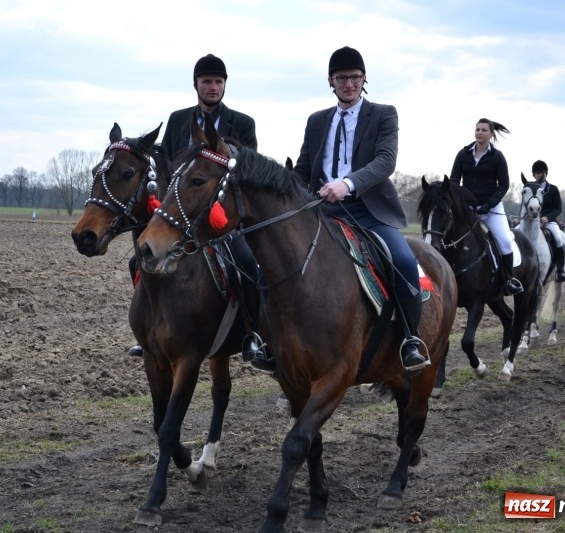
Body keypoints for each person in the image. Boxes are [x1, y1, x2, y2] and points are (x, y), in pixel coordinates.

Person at [271, 45, 428, 374]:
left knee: (402, 260)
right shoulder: (316, 121)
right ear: (331, 81)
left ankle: (411, 340)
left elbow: (385, 161)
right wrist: (284, 192)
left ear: (364, 79)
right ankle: (271, 342)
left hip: (368, 208)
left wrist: (348, 183)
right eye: (342, 78)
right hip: (321, 209)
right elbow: (303, 169)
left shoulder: (384, 114)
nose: (349, 83)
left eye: (355, 77)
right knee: (273, 259)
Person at [129, 54, 263, 365]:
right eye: (207, 82)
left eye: (218, 82)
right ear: (196, 86)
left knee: (248, 263)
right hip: (182, 216)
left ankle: (253, 335)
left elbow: (249, 167)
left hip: (222, 217)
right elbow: (163, 160)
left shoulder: (243, 123)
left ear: (225, 85)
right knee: (138, 260)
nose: (213, 87)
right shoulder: (178, 120)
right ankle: (148, 333)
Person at [449, 118, 523, 296]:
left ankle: (508, 280)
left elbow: (503, 185)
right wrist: (460, 203)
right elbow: (453, 180)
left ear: (491, 134)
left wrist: (487, 205)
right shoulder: (463, 154)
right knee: (448, 236)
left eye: (483, 130)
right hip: (466, 210)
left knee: (505, 241)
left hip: (492, 210)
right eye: (477, 130)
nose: (479, 133)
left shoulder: (497, 157)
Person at [531, 160, 565, 282]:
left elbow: (558, 208)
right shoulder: (531, 189)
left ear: (546, 173)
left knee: (557, 238)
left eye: (541, 172)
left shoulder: (553, 189)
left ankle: (560, 269)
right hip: (532, 221)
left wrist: (547, 217)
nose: (538, 175)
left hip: (549, 221)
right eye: (536, 173)